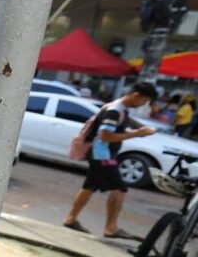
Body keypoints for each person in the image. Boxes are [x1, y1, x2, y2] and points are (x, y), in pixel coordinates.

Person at [63, 82, 158, 239]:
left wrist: (142, 129)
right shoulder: (115, 111)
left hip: (99, 153)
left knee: (90, 186)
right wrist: (137, 134)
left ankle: (71, 219)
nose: (144, 104)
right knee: (120, 188)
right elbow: (105, 135)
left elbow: (123, 122)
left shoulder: (118, 108)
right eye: (144, 100)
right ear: (136, 95)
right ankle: (111, 228)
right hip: (102, 155)